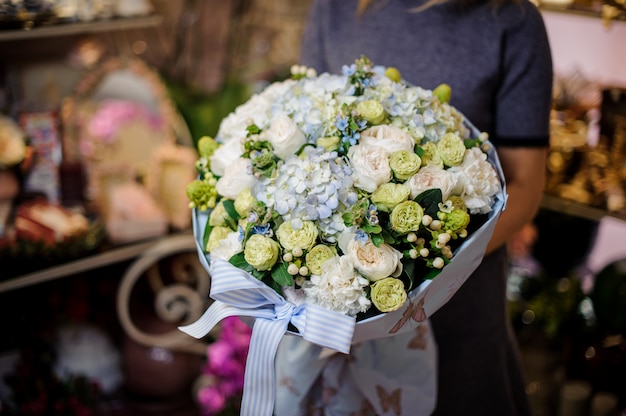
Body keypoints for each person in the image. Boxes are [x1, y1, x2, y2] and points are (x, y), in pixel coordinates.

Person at [274, 0, 553, 414]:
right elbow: (306, 138)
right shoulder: (335, 8)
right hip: (344, 321)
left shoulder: (511, 21)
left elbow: (526, 185)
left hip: (458, 306)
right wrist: (349, 286)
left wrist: (416, 276)